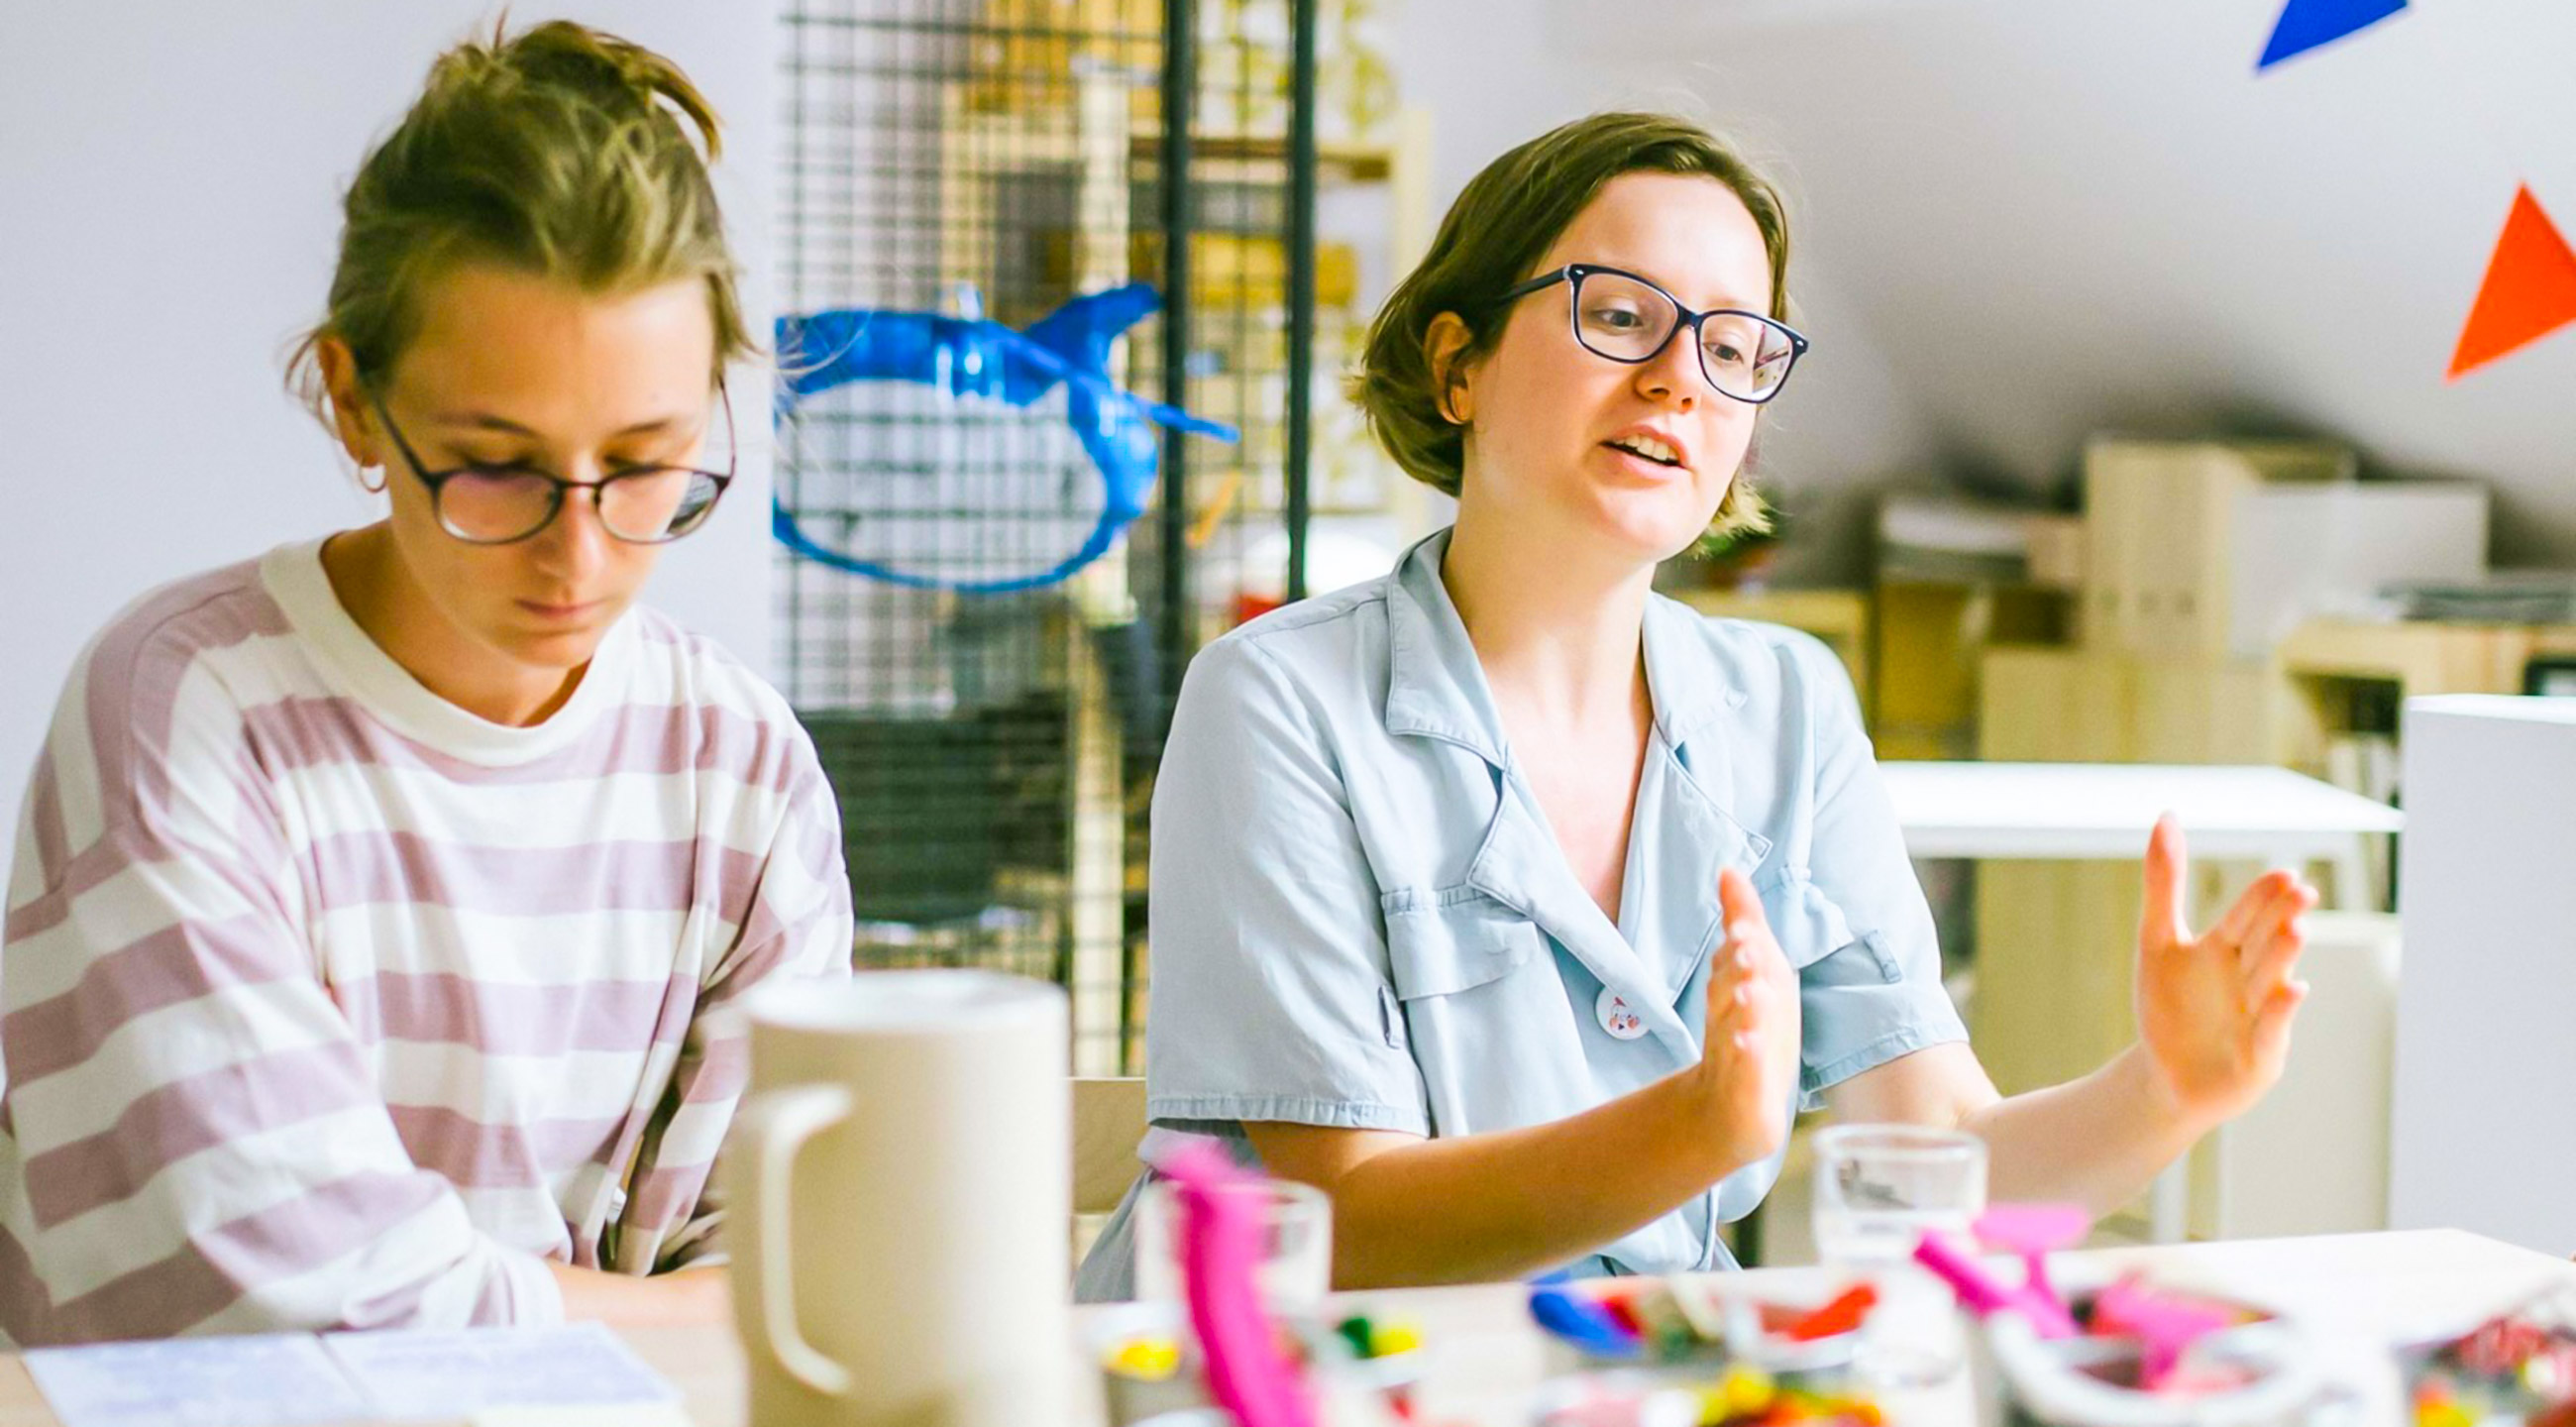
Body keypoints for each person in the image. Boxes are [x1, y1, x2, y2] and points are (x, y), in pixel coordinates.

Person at [1077, 112, 2315, 1298]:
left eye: (1732, 347)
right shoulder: (1278, 699)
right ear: (1458, 366)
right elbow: (1344, 1225)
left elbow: (1941, 1170)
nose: (1679, 379)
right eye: (1618, 316)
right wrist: (1693, 1128)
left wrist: (2161, 1092)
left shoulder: (1788, 706)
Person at [0, 21, 852, 1344]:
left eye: (646, 463)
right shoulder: (180, 714)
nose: (580, 554)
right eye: (495, 465)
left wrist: (709, 1314)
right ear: (352, 402)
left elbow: (804, 1286)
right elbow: (280, 1314)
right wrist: (676, 1317)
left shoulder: (742, 769)